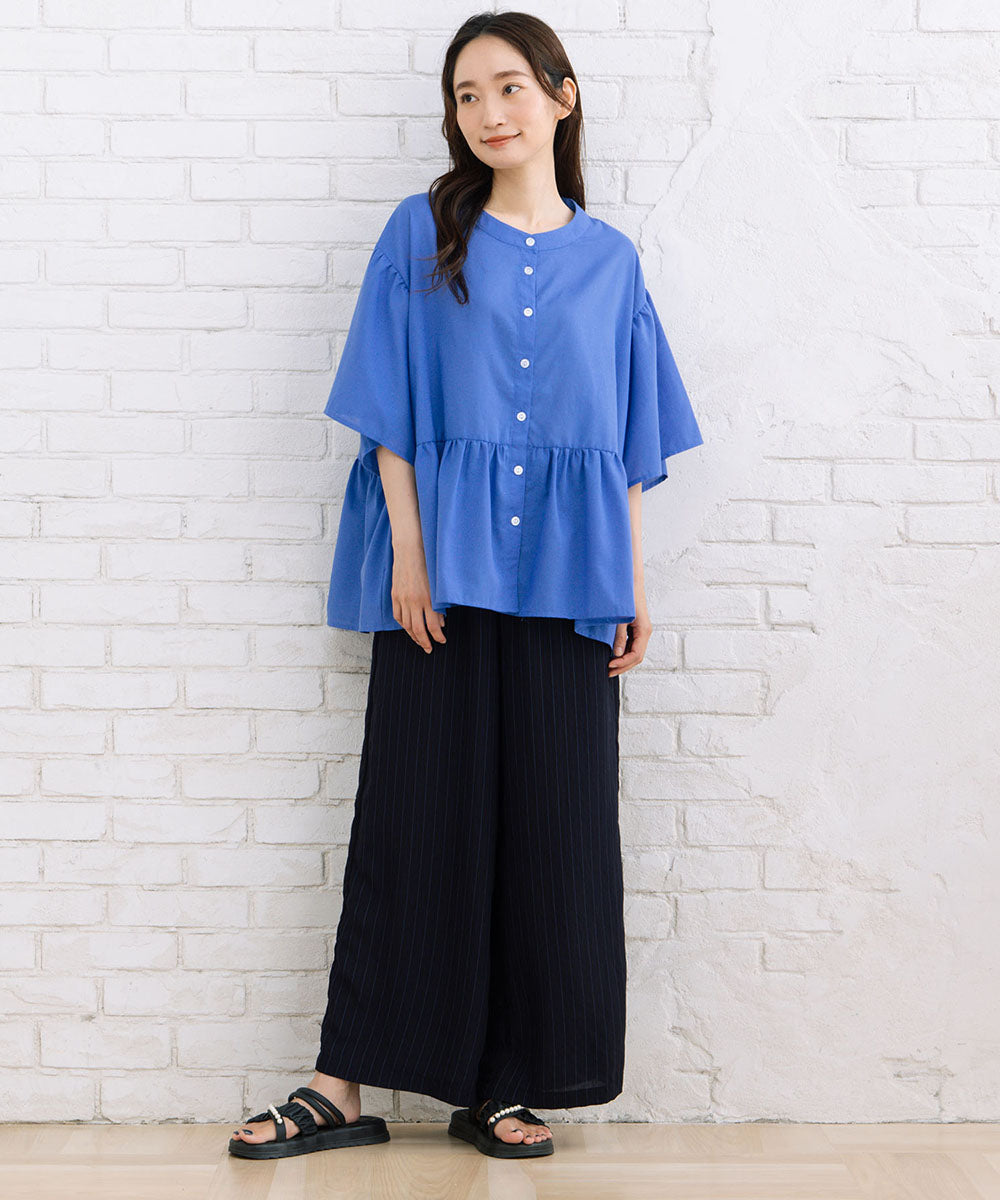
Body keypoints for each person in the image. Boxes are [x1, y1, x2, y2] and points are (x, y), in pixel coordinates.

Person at [228, 10, 704, 1163]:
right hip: (437, 575)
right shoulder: (422, 229)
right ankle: (340, 1084)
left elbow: (625, 439)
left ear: (561, 96)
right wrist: (408, 550)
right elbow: (389, 404)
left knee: (555, 832)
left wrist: (632, 583)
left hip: (572, 583)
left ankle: (504, 1084)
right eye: (465, 95)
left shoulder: (612, 261)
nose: (488, 112)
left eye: (508, 87)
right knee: (414, 819)